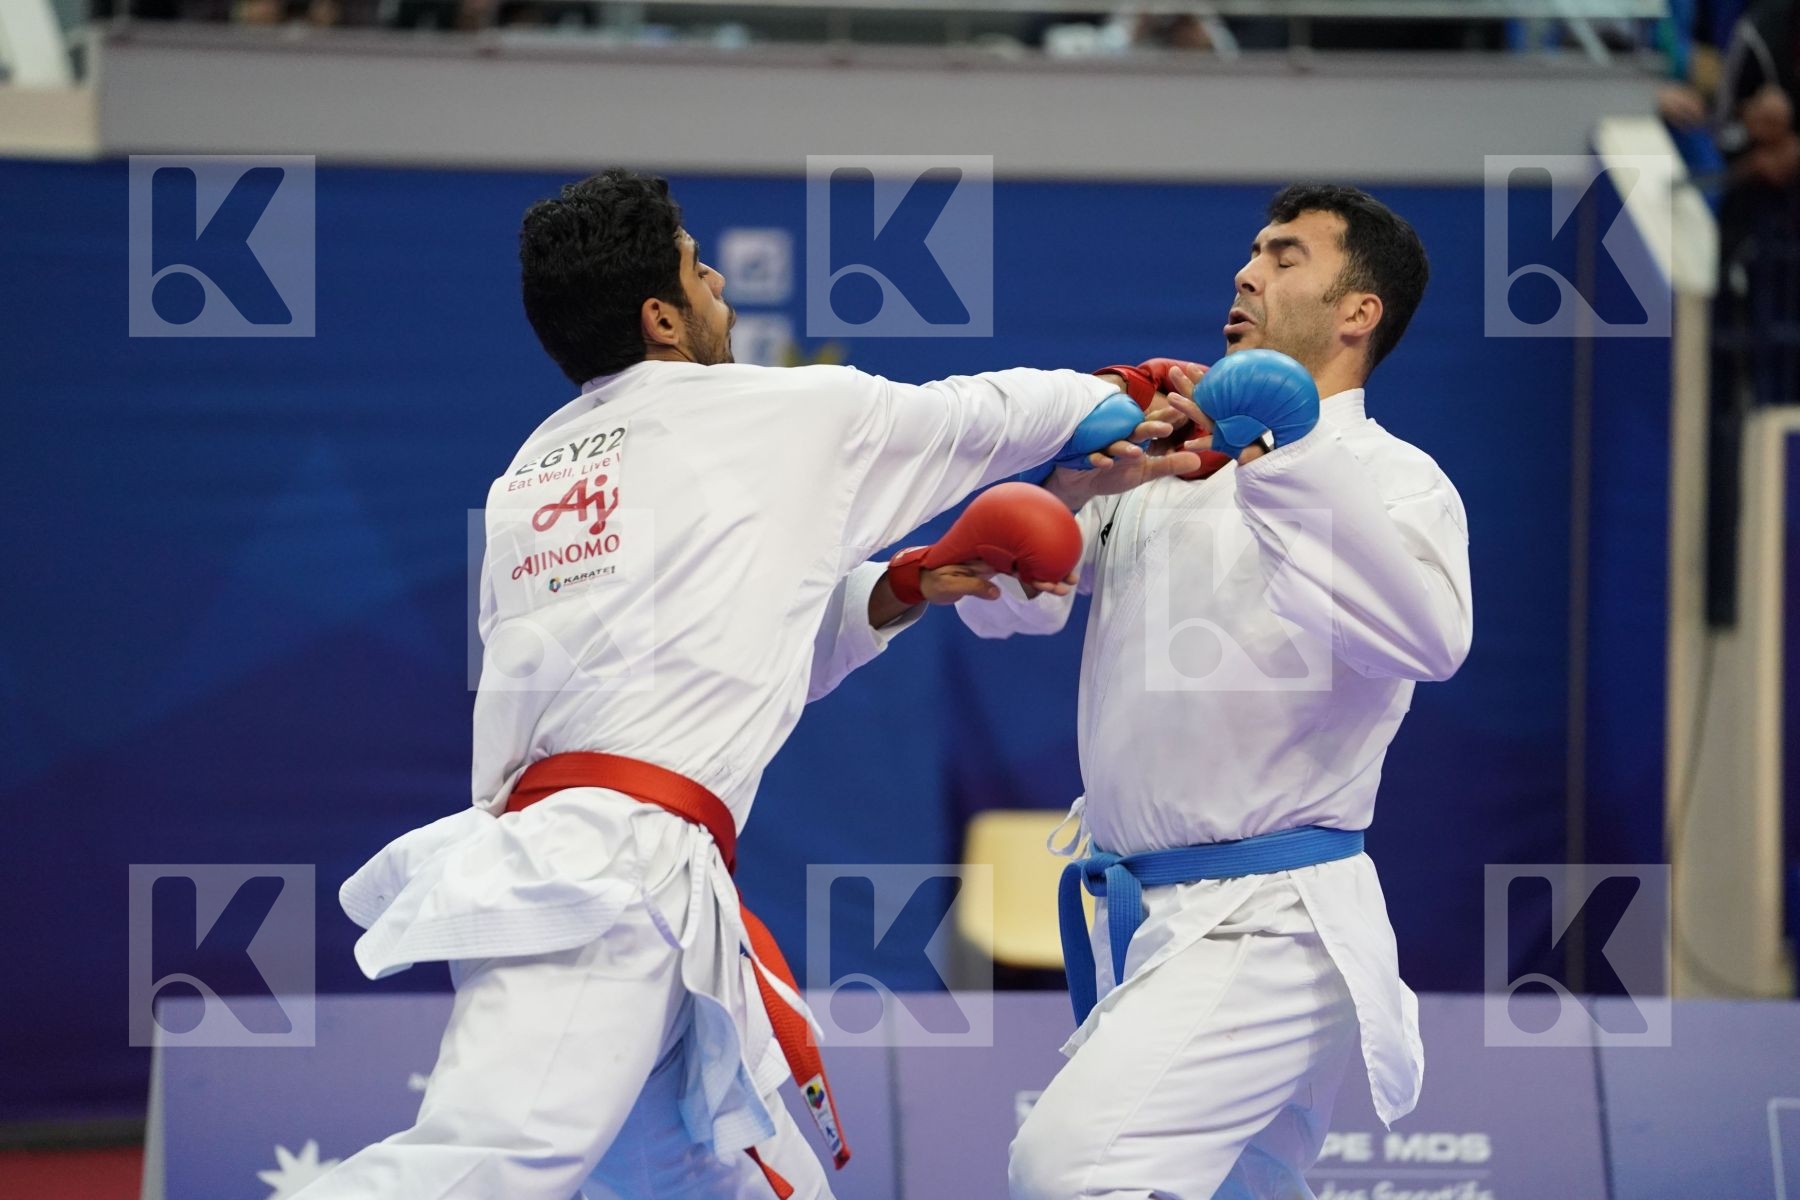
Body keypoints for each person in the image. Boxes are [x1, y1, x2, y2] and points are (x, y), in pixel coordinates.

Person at [290, 167, 1197, 1200]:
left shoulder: (532, 475)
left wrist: (901, 586)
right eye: (695, 264)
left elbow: (712, 666)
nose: (718, 277)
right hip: (605, 879)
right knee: (487, 1165)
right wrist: (1129, 390)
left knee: (735, 1181)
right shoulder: (774, 412)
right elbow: (986, 417)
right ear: (662, 317)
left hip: (604, 870)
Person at [960, 183, 1473, 1200]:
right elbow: (1011, 604)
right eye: (1251, 254)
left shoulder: (1396, 479)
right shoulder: (1180, 468)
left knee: (1073, 1169)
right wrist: (1075, 487)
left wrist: (1272, 454)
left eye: (1286, 258)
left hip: (1270, 915)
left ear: (1357, 313)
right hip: (1146, 917)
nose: (1246, 273)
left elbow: (1428, 638)